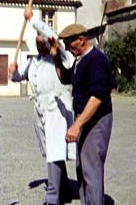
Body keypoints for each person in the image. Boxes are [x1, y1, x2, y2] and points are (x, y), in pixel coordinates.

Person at [8, 8, 75, 205]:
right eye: (37, 43)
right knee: (51, 152)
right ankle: (64, 189)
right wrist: (12, 72)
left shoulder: (60, 54)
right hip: (39, 110)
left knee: (55, 152)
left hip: (57, 109)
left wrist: (33, 20)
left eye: (42, 42)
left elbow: (51, 34)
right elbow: (17, 77)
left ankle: (52, 197)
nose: (39, 45)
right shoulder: (33, 62)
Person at [49, 24, 113, 205]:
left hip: (96, 119)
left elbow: (98, 96)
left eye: (70, 44)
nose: (68, 48)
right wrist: (55, 57)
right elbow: (65, 78)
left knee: (91, 169)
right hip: (85, 117)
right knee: (82, 168)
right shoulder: (81, 60)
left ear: (81, 40)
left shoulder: (97, 60)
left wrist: (77, 125)